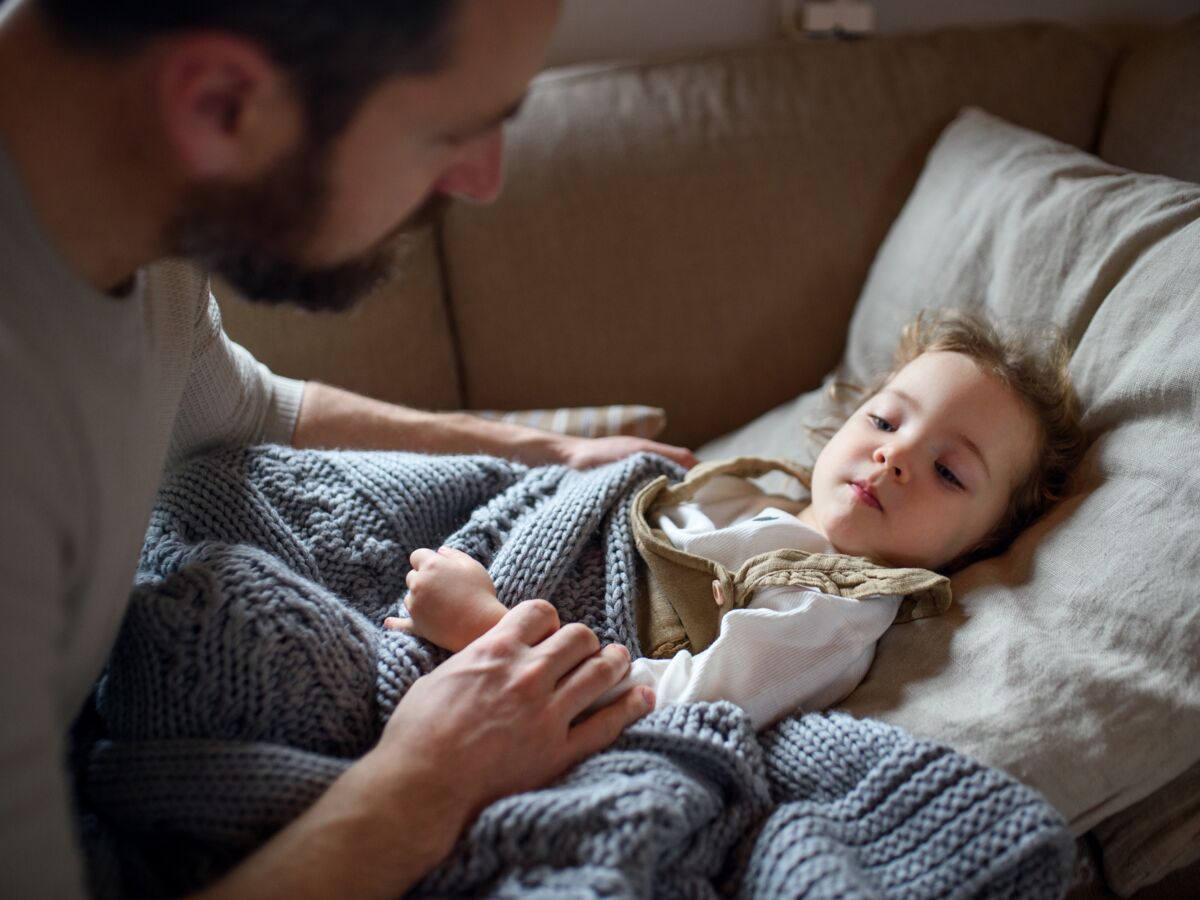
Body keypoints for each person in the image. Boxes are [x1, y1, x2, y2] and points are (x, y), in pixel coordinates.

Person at [0, 0, 699, 896]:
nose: (483, 179)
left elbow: (247, 407)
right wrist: (428, 779)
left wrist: (547, 451)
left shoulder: (127, 220)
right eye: (453, 130)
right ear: (220, 104)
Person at [391, 311, 1086, 730]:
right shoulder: (745, 492)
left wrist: (486, 628)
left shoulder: (834, 610)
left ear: (981, 546)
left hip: (505, 645)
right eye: (885, 418)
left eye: (950, 472)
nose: (895, 454)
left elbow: (671, 705)